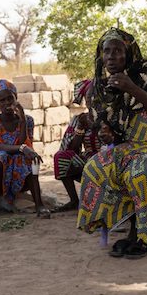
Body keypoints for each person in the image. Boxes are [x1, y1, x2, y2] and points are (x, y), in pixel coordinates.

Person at [77, 27, 147, 259]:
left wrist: (131, 88)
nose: (111, 57)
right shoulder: (100, 87)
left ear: (128, 52)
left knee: (144, 169)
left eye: (117, 51)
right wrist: (106, 132)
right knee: (96, 167)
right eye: (106, 52)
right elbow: (108, 128)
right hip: (134, 143)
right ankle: (126, 228)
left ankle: (145, 236)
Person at [0, 79, 50, 218]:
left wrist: (22, 121)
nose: (7, 103)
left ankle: (40, 205)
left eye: (10, 98)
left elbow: (23, 142)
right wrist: (21, 148)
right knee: (0, 156)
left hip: (19, 174)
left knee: (30, 159)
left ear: (16, 98)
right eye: (2, 100)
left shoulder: (28, 120)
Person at [52, 79, 103, 212]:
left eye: (96, 96)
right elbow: (72, 149)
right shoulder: (79, 118)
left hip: (108, 159)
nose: (92, 100)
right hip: (88, 160)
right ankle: (74, 200)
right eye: (89, 97)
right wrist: (80, 127)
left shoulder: (111, 116)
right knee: (61, 157)